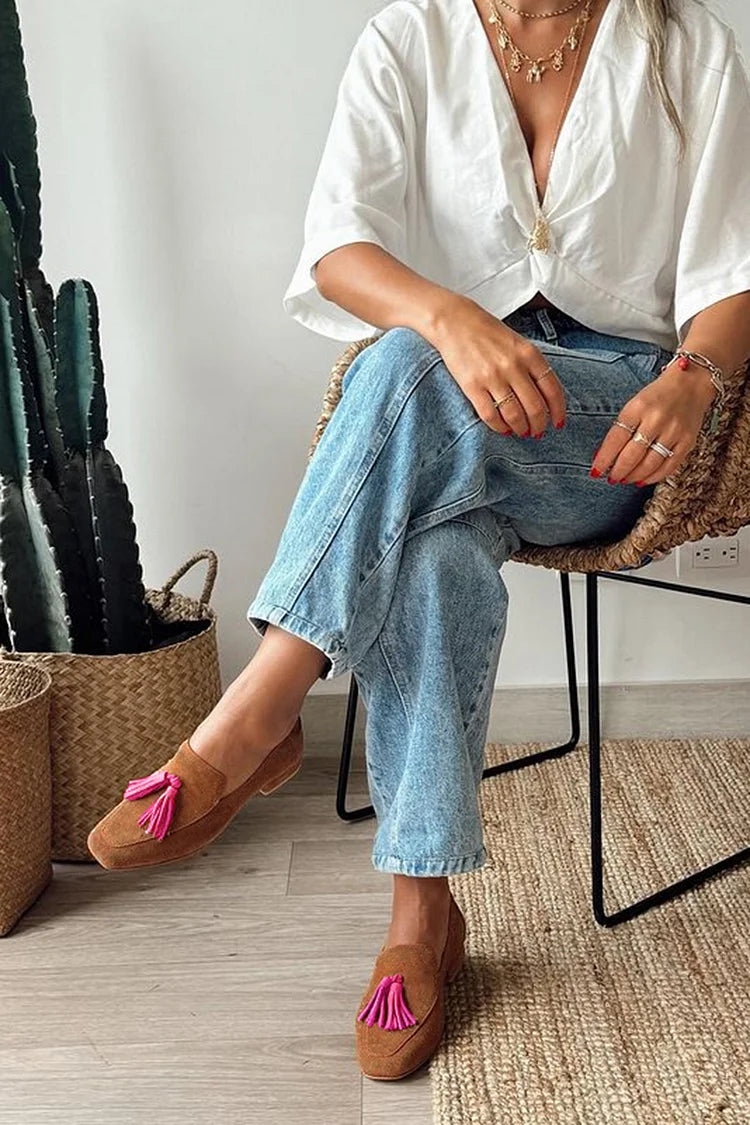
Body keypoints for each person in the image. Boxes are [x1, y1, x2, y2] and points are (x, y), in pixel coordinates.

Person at [88, 0, 750, 1083]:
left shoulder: (686, 45)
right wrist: (453, 320)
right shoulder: (412, 37)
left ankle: (261, 709)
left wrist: (696, 377)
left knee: (403, 374)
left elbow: (734, 269)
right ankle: (421, 915)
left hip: (612, 419)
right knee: (436, 528)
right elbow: (337, 249)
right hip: (452, 421)